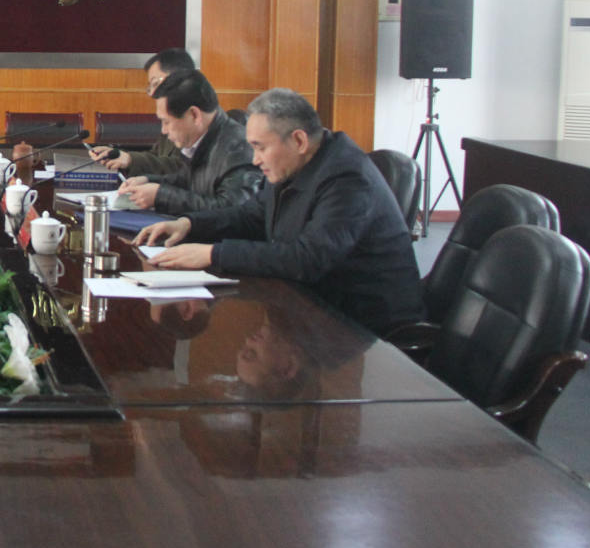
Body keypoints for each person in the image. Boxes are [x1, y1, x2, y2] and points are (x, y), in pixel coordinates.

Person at [135, 88, 423, 336]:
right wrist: (188, 224)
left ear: (298, 141)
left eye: (260, 148)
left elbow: (308, 258)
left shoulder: (348, 179)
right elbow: (252, 215)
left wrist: (213, 254)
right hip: (313, 308)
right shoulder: (294, 164)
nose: (255, 160)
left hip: (365, 330)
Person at [115, 69, 261, 216]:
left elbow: (231, 212)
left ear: (194, 115)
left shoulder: (239, 149)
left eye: (167, 122)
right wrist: (148, 180)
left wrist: (161, 197)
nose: (163, 131)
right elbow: (186, 181)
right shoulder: (205, 138)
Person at [87, 48, 196, 177]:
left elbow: (184, 168)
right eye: (151, 86)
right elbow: (156, 157)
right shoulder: (173, 113)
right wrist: (119, 155)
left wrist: (130, 159)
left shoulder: (196, 116)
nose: (153, 93)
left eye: (156, 83)